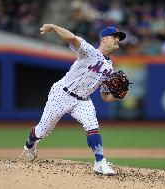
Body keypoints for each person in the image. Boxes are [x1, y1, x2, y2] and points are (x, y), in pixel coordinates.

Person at [20, 24, 127, 175]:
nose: (117, 40)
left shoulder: (110, 68)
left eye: (119, 38)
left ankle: (100, 162)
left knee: (92, 125)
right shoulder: (90, 51)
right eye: (114, 37)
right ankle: (30, 144)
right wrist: (53, 27)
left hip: (82, 101)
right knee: (42, 130)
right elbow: (71, 38)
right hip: (61, 94)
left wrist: (117, 96)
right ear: (103, 39)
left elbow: (104, 96)